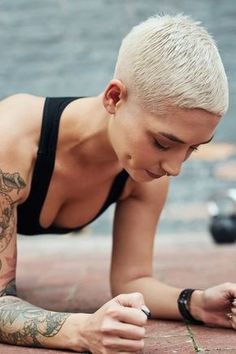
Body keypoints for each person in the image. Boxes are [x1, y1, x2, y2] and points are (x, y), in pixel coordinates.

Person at [0, 13, 234, 354]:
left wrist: (195, 303)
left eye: (193, 148)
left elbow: (132, 279)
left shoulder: (145, 173)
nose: (174, 167)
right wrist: (80, 329)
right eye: (163, 143)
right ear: (114, 97)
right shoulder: (11, 140)